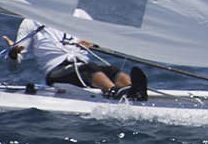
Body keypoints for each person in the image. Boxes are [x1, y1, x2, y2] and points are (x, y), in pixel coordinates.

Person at [8, 18, 147, 100]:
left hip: (82, 67)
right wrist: (13, 54)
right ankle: (113, 92)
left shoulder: (77, 17)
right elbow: (13, 66)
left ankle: (132, 91)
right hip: (56, 72)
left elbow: (100, 38)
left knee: (111, 70)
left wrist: (94, 42)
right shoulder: (31, 22)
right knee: (88, 69)